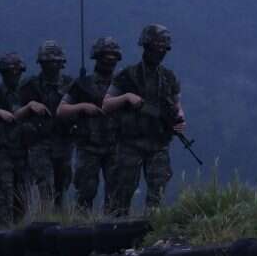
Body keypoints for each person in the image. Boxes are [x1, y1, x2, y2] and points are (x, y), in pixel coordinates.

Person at [105, 24, 186, 216]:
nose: (159, 52)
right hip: (130, 143)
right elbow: (106, 104)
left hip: (158, 143)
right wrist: (126, 98)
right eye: (156, 47)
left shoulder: (168, 77)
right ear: (146, 46)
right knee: (122, 195)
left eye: (163, 48)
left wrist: (180, 119)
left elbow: (176, 104)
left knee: (156, 195)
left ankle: (150, 230)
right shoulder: (127, 75)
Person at [57, 37, 141, 214]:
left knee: (117, 196)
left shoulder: (125, 84)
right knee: (86, 193)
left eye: (112, 56)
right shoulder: (82, 84)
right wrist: (82, 107)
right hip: (88, 146)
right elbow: (62, 110)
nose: (109, 60)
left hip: (116, 146)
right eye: (105, 56)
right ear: (97, 57)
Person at [0, 52, 47, 226]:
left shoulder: (28, 92)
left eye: (17, 72)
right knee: (4, 199)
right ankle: (4, 238)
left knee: (22, 199)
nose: (14, 76)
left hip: (23, 152)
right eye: (9, 73)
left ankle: (18, 238)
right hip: (1, 155)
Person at [20, 40, 74, 213]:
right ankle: (45, 219)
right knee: (46, 184)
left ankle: (58, 217)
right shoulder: (29, 86)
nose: (52, 65)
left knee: (62, 184)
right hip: (39, 142)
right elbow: (16, 113)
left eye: (56, 62)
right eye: (48, 62)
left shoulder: (71, 85)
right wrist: (30, 108)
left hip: (63, 141)